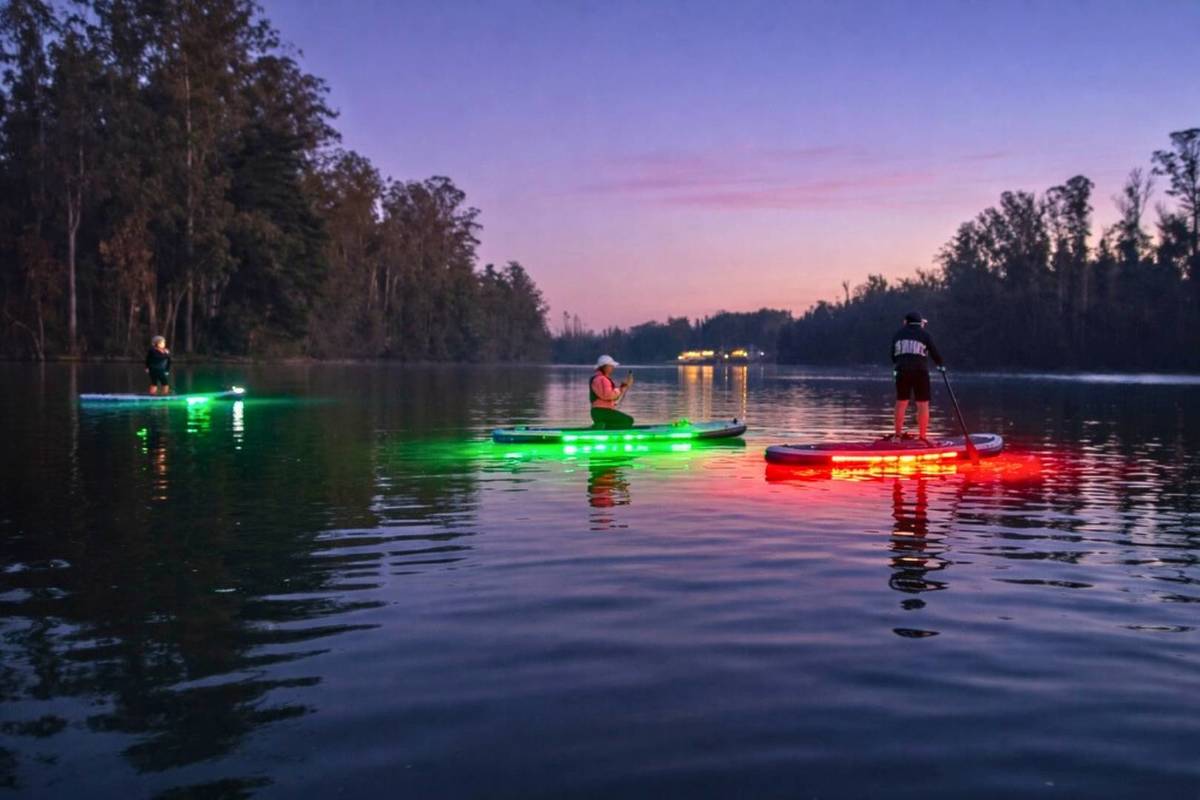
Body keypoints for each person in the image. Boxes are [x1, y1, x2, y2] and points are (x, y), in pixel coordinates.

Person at [891, 312, 943, 443]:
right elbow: (934, 351)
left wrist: (899, 363)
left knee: (901, 402)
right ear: (920, 322)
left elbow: (892, 355)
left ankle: (897, 436)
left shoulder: (898, 334)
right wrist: (940, 365)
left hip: (902, 370)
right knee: (923, 403)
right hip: (920, 372)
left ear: (906, 322)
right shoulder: (925, 334)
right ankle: (922, 437)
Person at [590, 355, 634, 429]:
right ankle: (602, 427)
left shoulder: (600, 379)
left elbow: (612, 397)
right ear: (605, 367)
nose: (613, 368)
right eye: (611, 366)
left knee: (628, 421)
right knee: (628, 421)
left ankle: (601, 426)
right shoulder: (602, 379)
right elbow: (608, 395)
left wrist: (623, 387)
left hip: (599, 412)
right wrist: (620, 389)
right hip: (602, 412)